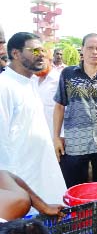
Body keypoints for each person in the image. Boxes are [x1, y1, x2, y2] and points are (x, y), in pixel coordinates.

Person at [0, 32, 66, 213]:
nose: (42, 54)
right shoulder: (4, 86)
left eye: (42, 50)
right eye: (34, 50)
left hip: (43, 173)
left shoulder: (31, 82)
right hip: (21, 182)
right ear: (15, 53)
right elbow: (2, 146)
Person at [53, 33, 97, 188]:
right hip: (75, 142)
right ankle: (78, 213)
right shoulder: (68, 74)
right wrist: (56, 137)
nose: (94, 52)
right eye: (90, 48)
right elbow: (59, 106)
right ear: (82, 50)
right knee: (75, 187)